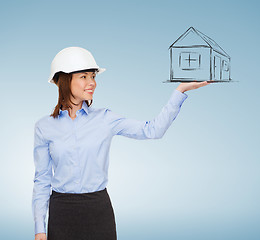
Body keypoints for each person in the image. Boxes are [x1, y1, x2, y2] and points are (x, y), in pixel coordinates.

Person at [32, 46, 211, 240]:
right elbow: (42, 179)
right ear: (65, 80)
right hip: (62, 213)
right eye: (84, 77)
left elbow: (152, 130)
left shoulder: (105, 119)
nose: (92, 83)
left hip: (98, 210)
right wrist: (40, 228)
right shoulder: (44, 127)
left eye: (93, 76)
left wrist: (180, 90)